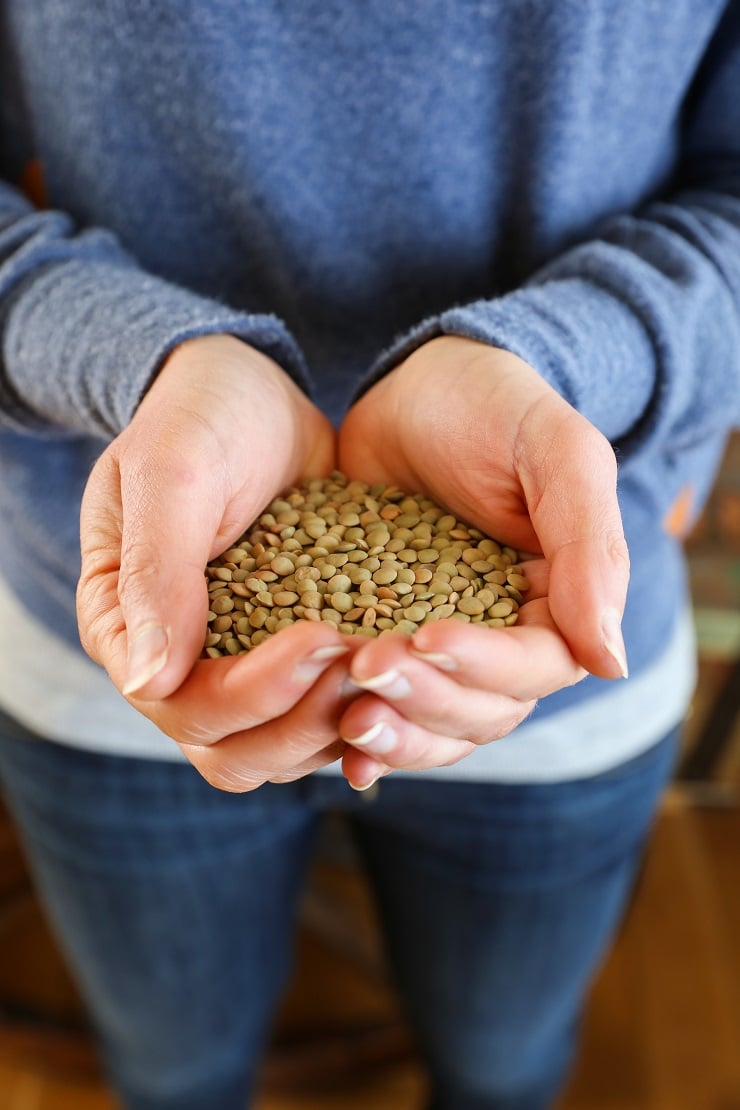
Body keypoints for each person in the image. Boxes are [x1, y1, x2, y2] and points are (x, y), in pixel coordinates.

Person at [0, 3, 738, 1107]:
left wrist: (564, 359)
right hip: (118, 625)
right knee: (171, 1075)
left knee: (502, 1072)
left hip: (545, 630)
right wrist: (136, 358)